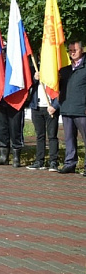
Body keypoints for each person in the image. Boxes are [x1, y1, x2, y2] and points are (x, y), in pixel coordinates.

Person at [57, 39, 86, 174]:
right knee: (69, 138)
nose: (73, 53)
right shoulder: (64, 71)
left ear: (82, 50)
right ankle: (70, 163)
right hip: (67, 108)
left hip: (82, 110)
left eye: (75, 50)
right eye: (70, 50)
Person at [28, 68, 59, 171]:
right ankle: (39, 161)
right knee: (40, 135)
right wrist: (35, 79)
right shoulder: (35, 70)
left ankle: (53, 161)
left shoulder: (54, 70)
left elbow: (61, 90)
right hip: (37, 108)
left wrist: (55, 106)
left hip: (51, 109)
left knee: (52, 136)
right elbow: (27, 86)